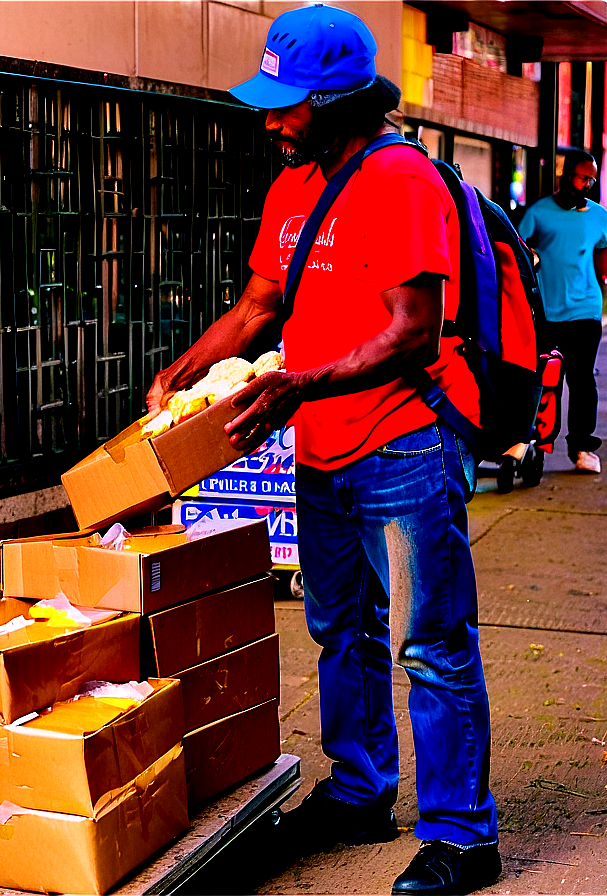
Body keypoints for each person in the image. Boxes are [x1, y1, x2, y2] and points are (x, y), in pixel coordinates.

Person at [146, 6, 501, 894]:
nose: (272, 121)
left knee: (433, 640)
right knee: (339, 627)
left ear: (340, 100)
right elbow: (261, 306)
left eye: (288, 104)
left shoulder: (402, 182)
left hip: (407, 442)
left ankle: (462, 835)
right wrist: (178, 379)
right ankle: (359, 791)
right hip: (322, 447)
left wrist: (297, 387)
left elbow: (414, 332)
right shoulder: (294, 187)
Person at [517, 150, 607, 473]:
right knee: (543, 380)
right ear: (566, 174)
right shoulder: (538, 213)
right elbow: (518, 248)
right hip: (546, 312)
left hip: (585, 309)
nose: (588, 184)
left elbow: (601, 251)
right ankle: (537, 444)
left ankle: (582, 447)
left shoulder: (599, 215)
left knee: (582, 380)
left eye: (592, 179)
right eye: (583, 177)